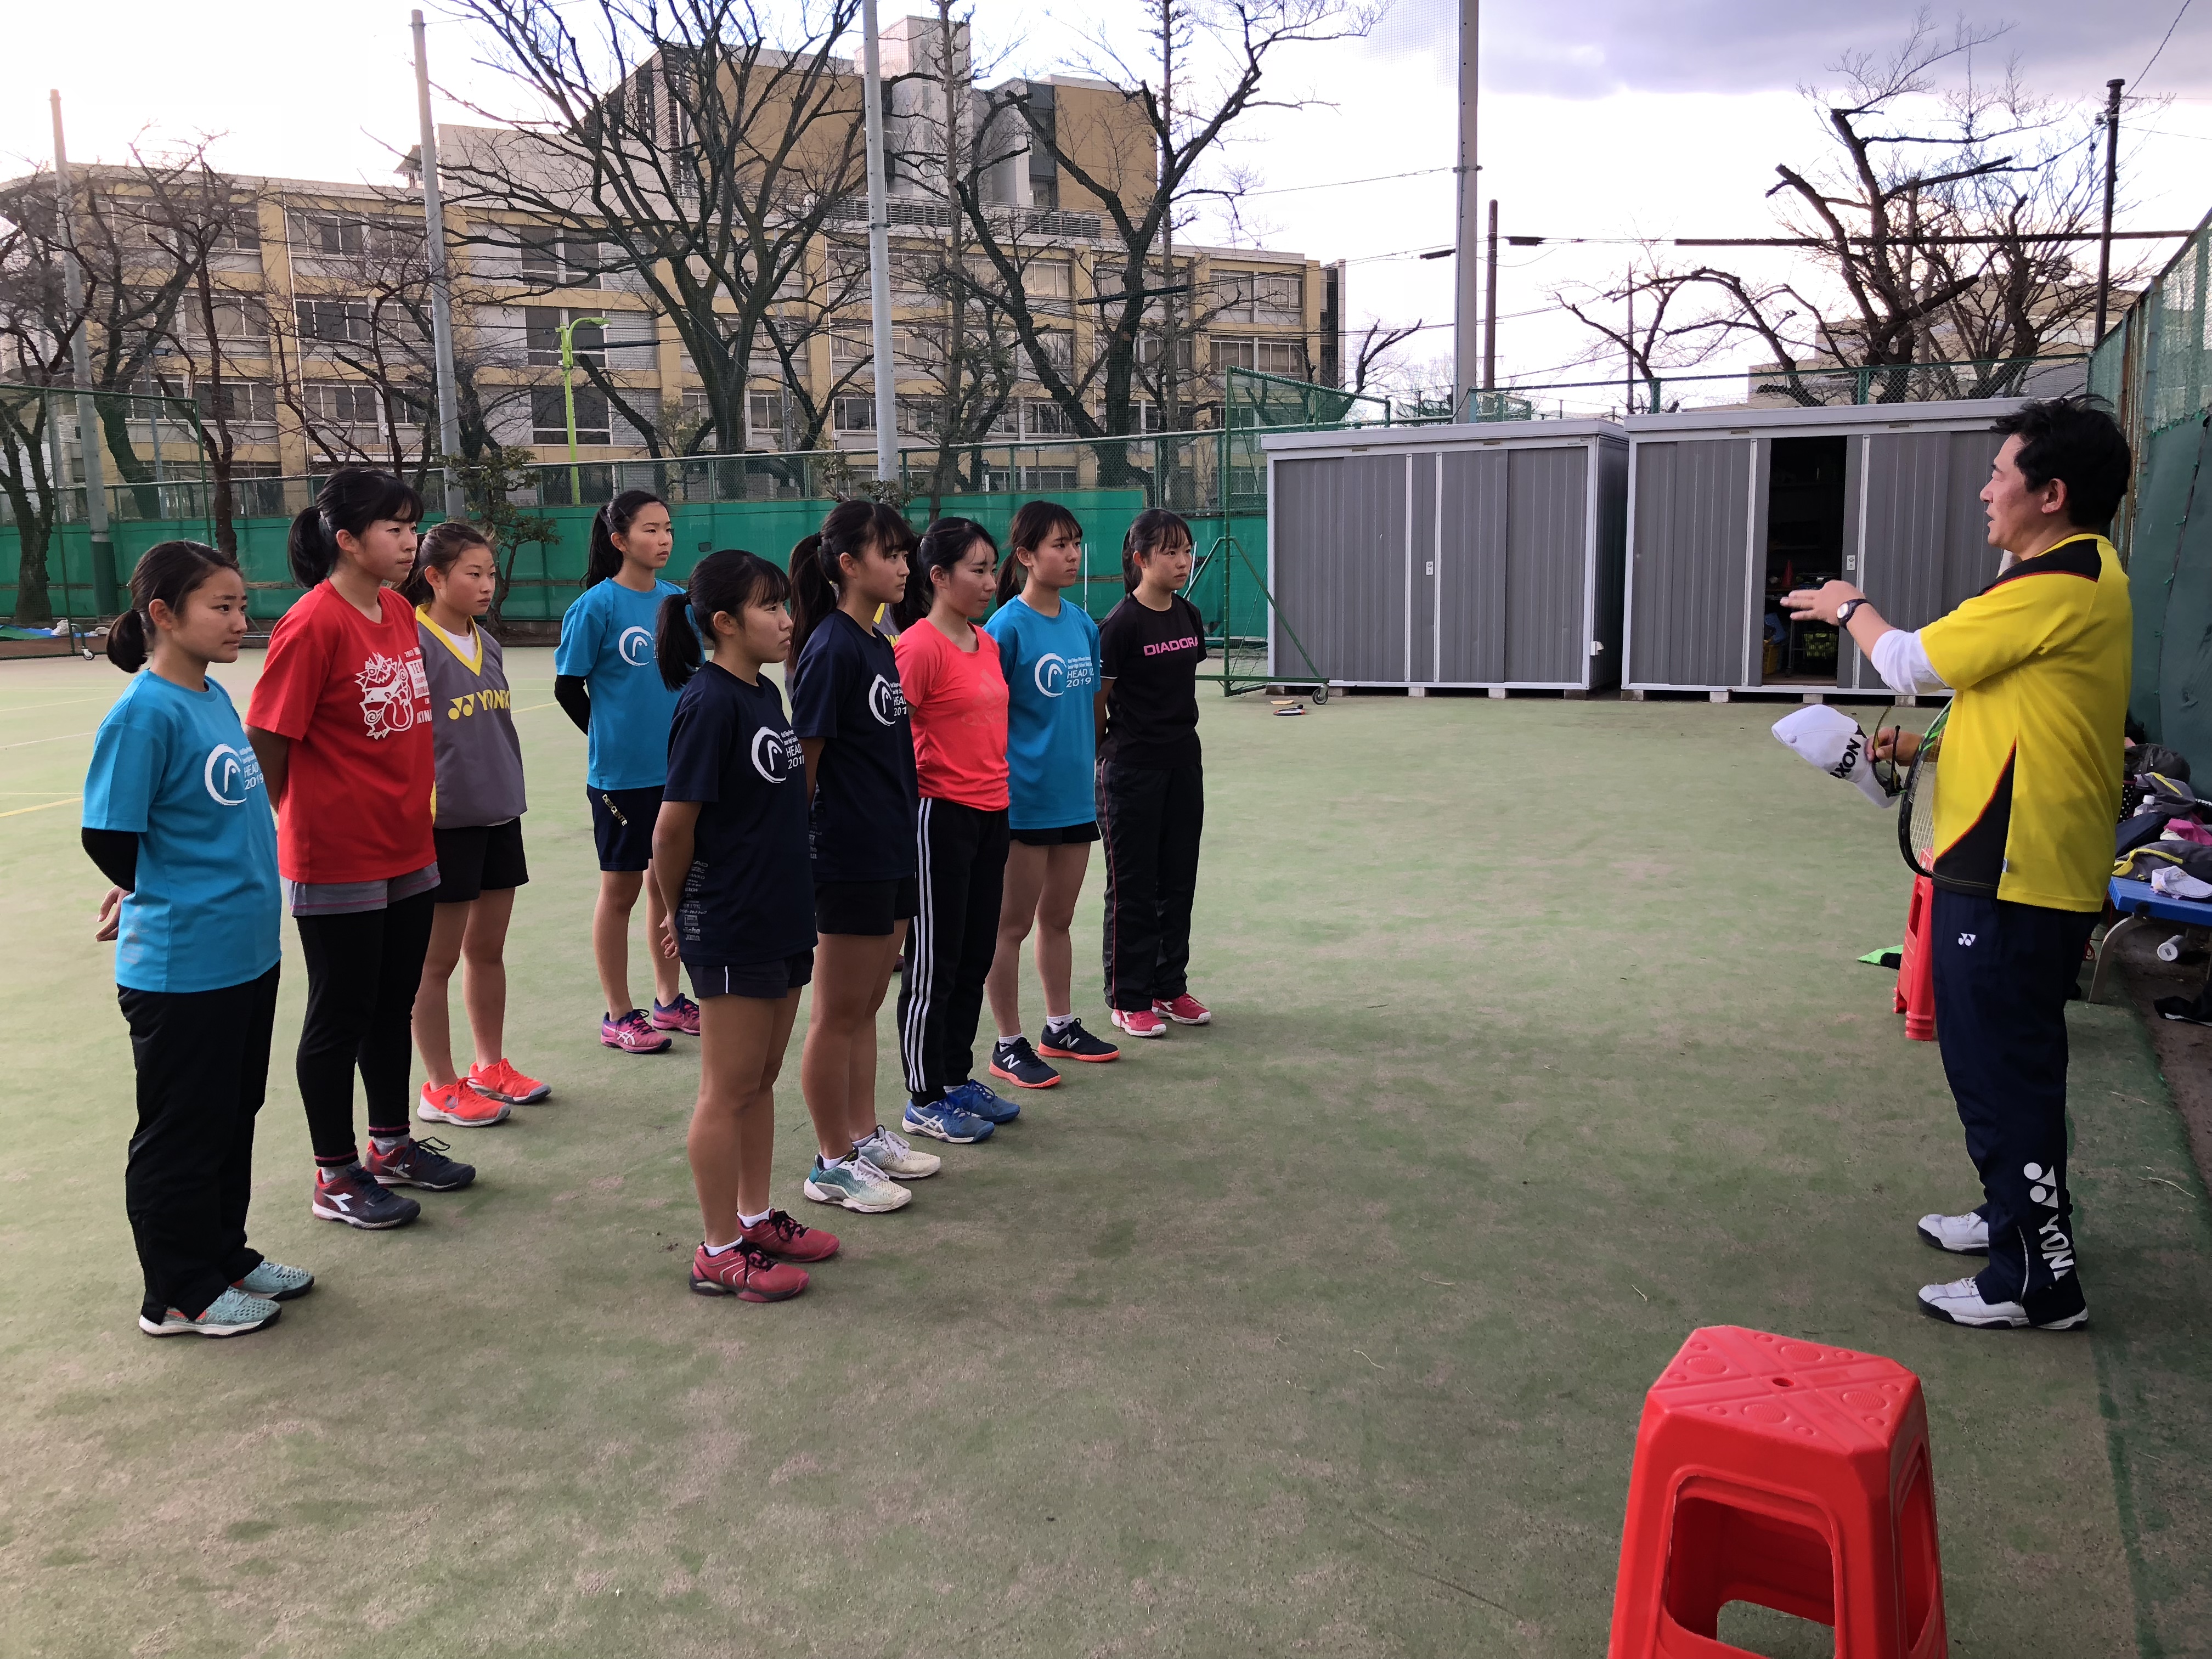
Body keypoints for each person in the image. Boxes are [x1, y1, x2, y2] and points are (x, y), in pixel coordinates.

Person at [1785, 395, 2134, 1331]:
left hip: (2017, 874)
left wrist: (1844, 605)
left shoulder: (2055, 582)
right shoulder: (2074, 573)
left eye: (2000, 474)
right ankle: (2014, 1221)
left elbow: (1905, 658)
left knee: (2003, 1072)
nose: (1985, 490)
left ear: (2050, 494)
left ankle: (2038, 1281)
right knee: (1998, 1066)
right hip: (2013, 864)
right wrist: (1911, 752)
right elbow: (2017, 713)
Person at [82, 540, 305, 1336]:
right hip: (185, 965)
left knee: (232, 1109)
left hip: (247, 953)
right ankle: (176, 1293)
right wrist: (159, 890)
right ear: (164, 615)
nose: (240, 620)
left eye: (243, 606)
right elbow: (109, 834)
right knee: (182, 1128)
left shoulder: (210, 697)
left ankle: (224, 1255)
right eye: (222, 607)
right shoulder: (143, 714)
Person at [246, 468, 475, 1232]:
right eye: (393, 528)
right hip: (336, 854)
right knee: (338, 1013)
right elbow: (269, 737)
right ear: (346, 539)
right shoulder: (312, 624)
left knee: (392, 1002)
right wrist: (300, 815)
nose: (409, 542)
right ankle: (335, 1174)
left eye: (412, 526)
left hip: (407, 843)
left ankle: (391, 1145)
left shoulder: (397, 612)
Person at [651, 549, 837, 1300]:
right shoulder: (709, 702)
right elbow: (672, 830)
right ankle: (717, 1249)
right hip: (730, 919)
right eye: (771, 608)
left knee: (760, 1080)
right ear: (725, 623)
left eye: (786, 606)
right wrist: (675, 910)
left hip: (782, 913)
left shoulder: (762, 694)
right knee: (726, 1090)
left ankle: (754, 1218)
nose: (788, 621)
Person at [787, 502, 938, 1212]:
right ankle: (831, 1162)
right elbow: (805, 769)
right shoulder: (830, 648)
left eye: (906, 554)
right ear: (849, 564)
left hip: (890, 848)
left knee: (870, 1005)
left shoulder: (880, 640)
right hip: (845, 856)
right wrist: (798, 858)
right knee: (837, 1013)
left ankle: (865, 1134)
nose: (905, 566)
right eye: (891, 553)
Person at [403, 520, 546, 1124]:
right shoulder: (411, 641)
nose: (488, 585)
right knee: (434, 962)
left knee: (487, 951)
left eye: (491, 574)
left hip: (497, 815)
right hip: (443, 826)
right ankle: (440, 1086)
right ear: (435, 577)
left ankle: (490, 1066)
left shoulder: (489, 642)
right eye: (474, 574)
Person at [982, 500, 1120, 1088]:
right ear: (1025, 556)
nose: (1070, 555)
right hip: (1023, 801)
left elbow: (1093, 711)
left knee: (1058, 919)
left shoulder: (1083, 624)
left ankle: (1058, 1026)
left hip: (1074, 798)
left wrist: (1084, 765)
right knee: (1010, 926)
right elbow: (987, 714)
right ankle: (1007, 1042)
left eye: (1076, 543)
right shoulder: (1006, 627)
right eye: (1058, 545)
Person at [894, 517, 1023, 1143]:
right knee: (934, 963)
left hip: (992, 812)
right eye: (977, 569)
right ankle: (922, 1096)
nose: (990, 582)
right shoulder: (917, 647)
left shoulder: (986, 642)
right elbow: (892, 740)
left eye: (993, 568)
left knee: (974, 954)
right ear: (938, 577)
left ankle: (953, 1075)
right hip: (938, 815)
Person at [554, 489, 696, 1054]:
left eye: (667, 530)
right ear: (619, 540)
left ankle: (669, 1001)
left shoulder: (678, 602)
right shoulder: (596, 605)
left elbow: (691, 683)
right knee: (622, 891)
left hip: (678, 773)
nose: (662, 540)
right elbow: (569, 687)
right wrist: (609, 739)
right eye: (650, 530)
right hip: (621, 779)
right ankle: (618, 1014)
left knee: (669, 887)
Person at [1095, 507, 1213, 1039]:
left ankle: (1169, 986)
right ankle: (1128, 996)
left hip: (1183, 765)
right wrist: (1107, 752)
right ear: (1140, 559)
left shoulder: (1187, 617)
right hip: (1131, 772)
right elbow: (1100, 701)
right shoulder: (1119, 625)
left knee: (1178, 881)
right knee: (1133, 887)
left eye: (1187, 550)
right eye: (1170, 551)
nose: (1183, 560)